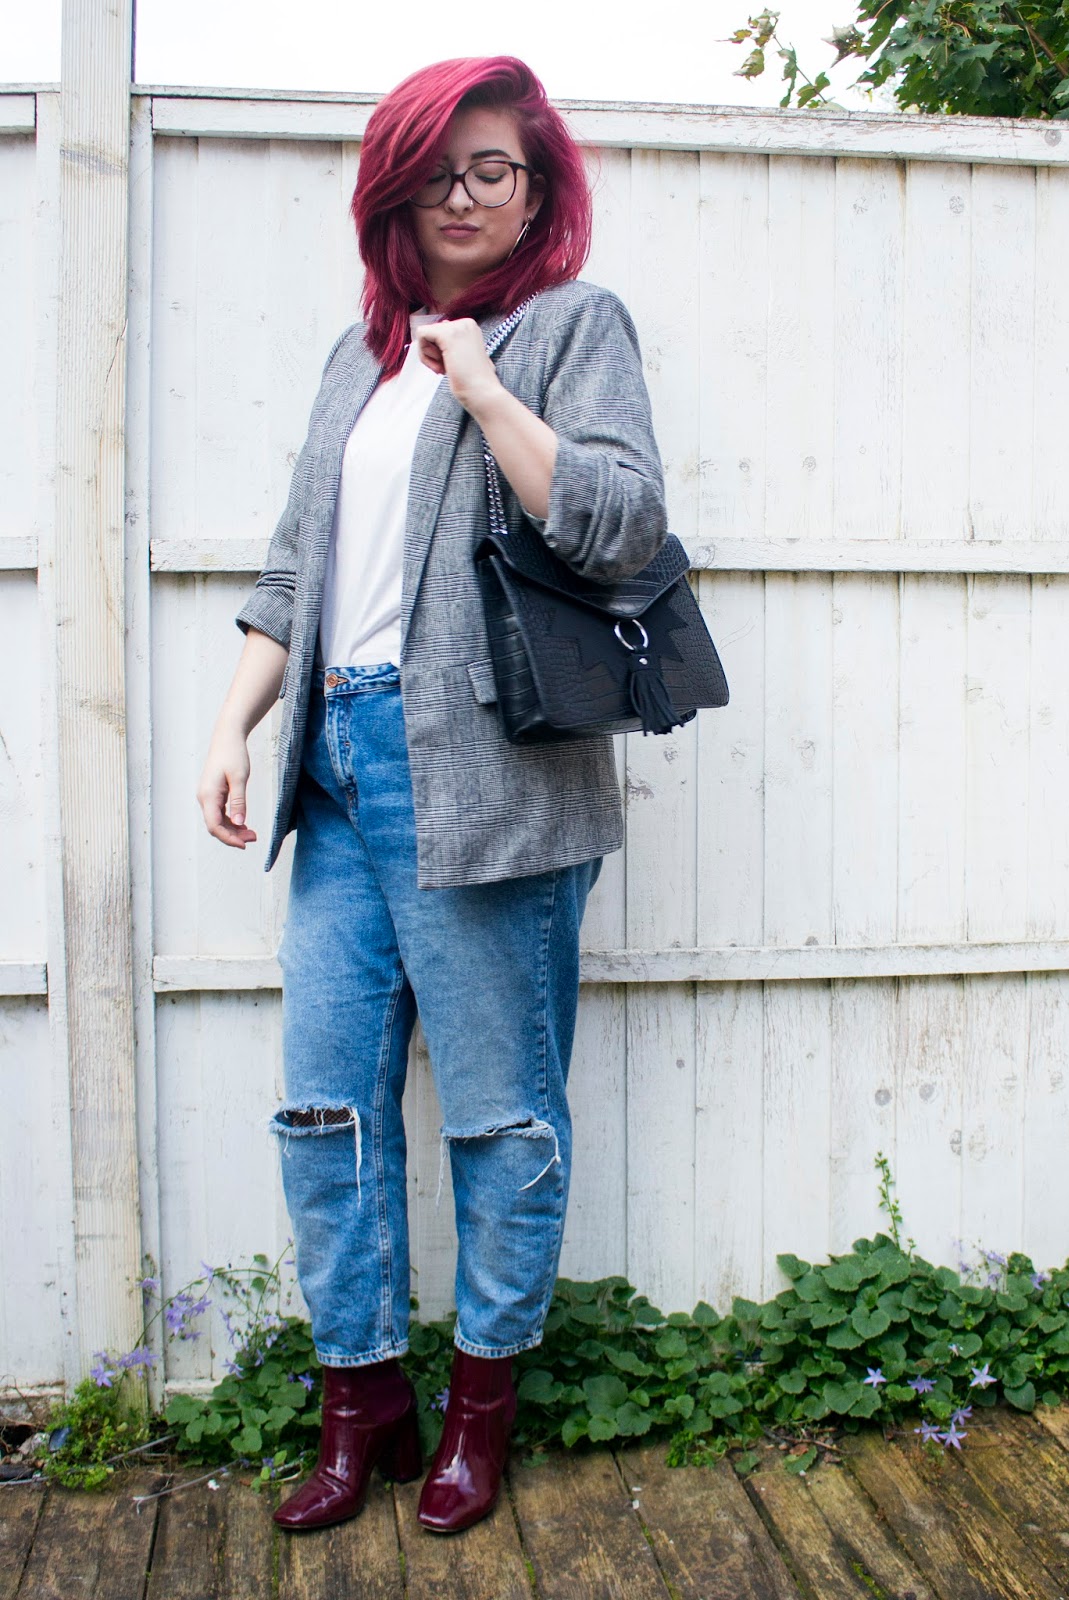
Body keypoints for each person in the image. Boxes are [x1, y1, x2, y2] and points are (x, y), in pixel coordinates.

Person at [196, 55, 668, 1535]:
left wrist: (481, 381)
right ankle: (363, 1408)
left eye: (493, 170)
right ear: (392, 193)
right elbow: (296, 569)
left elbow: (618, 521)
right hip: (335, 764)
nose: (463, 196)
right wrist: (235, 726)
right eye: (436, 173)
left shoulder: (572, 327)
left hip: (489, 779)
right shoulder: (357, 359)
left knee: (499, 1117)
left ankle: (480, 1412)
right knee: (322, 1108)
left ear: (537, 188)